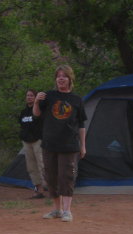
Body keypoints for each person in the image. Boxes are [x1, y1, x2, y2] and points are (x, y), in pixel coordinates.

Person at [33, 65, 87, 222]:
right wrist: (36, 101)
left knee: (67, 176)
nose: (61, 78)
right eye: (58, 76)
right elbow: (36, 114)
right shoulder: (49, 96)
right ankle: (57, 209)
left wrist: (83, 145)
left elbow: (81, 125)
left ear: (70, 79)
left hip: (69, 145)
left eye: (64, 76)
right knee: (51, 178)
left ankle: (67, 211)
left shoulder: (77, 100)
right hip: (49, 144)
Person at [19, 89, 46, 198]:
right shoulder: (23, 112)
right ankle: (39, 189)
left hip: (38, 140)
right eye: (27, 95)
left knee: (42, 164)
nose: (29, 97)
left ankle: (52, 187)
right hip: (26, 142)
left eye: (31, 95)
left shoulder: (39, 110)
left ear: (35, 98)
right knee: (31, 166)